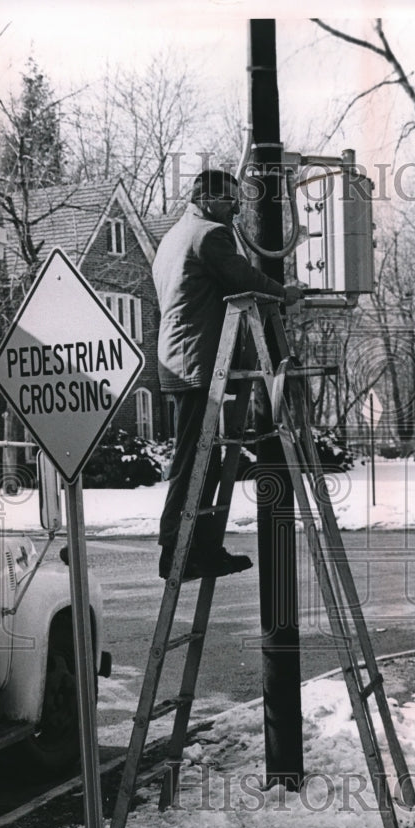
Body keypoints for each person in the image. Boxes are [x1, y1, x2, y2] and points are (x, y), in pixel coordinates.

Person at [152, 168, 303, 581]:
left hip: (185, 358)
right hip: (197, 361)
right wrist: (283, 292)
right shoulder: (209, 235)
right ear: (208, 199)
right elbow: (241, 276)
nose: (237, 207)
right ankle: (175, 553)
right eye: (230, 200)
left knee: (206, 457)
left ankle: (200, 549)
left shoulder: (175, 234)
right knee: (192, 459)